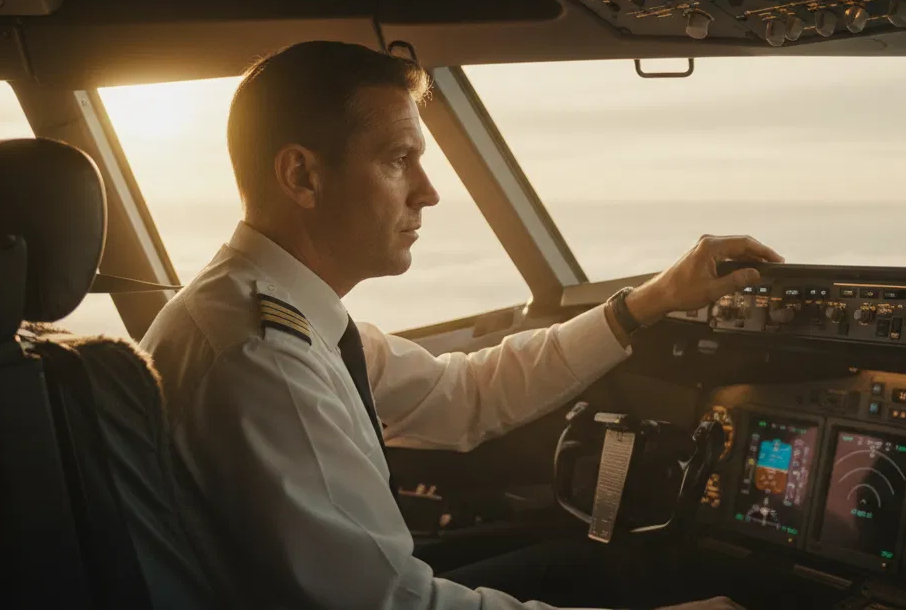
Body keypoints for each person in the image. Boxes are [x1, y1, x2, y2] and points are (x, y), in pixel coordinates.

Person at [140, 41, 783, 610]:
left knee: (584, 560)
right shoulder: (261, 357)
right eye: (399, 159)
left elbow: (463, 393)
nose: (428, 191)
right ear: (302, 175)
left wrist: (643, 303)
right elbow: (387, 605)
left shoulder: (272, 310)